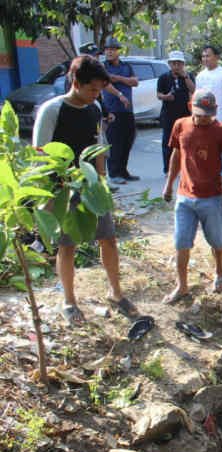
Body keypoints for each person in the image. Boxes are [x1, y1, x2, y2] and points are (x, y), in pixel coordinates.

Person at [32, 55, 137, 324]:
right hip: (63, 189)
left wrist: (102, 181)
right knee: (67, 246)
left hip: (91, 187)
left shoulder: (94, 109)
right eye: (92, 89)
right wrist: (47, 196)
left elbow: (98, 146)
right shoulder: (52, 110)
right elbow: (40, 155)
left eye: (100, 90)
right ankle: (69, 301)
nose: (96, 95)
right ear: (75, 82)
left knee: (109, 239)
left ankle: (116, 292)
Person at [162, 89, 222, 303]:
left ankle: (220, 272)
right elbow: (176, 156)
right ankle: (182, 286)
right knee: (181, 242)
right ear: (190, 107)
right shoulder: (180, 125)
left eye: (209, 114)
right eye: (200, 113)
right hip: (185, 197)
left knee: (216, 240)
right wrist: (169, 185)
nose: (204, 118)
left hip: (212, 197)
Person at [102, 37, 139, 186]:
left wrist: (117, 78)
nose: (109, 52)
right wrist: (124, 82)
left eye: (112, 49)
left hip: (127, 110)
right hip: (113, 109)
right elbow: (106, 81)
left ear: (118, 51)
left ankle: (123, 171)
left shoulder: (126, 66)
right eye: (107, 49)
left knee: (127, 140)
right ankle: (114, 173)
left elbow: (135, 82)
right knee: (114, 142)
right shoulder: (103, 66)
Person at [157, 51, 195, 178]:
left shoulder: (188, 76)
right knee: (168, 142)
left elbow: (193, 90)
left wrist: (185, 77)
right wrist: (165, 97)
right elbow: (158, 94)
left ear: (183, 64)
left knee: (186, 143)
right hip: (168, 115)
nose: (177, 66)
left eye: (179, 63)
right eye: (174, 63)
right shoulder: (163, 77)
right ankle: (168, 169)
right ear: (169, 64)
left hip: (185, 115)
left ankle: (184, 168)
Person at [196, 45, 222, 126]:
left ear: (217, 57)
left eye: (208, 56)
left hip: (219, 118)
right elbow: (198, 97)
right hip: (203, 118)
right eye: (203, 56)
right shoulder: (200, 76)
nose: (205, 59)